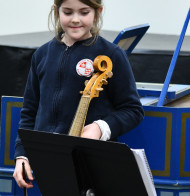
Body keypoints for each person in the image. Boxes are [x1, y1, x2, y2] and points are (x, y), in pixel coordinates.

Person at [13, 0, 144, 189]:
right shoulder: (42, 54)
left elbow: (133, 110)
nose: (75, 20)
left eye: (84, 12)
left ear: (97, 12)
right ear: (56, 11)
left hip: (91, 163)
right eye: (68, 12)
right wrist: (22, 154)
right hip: (47, 159)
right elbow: (29, 112)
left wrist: (100, 127)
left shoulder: (112, 54)